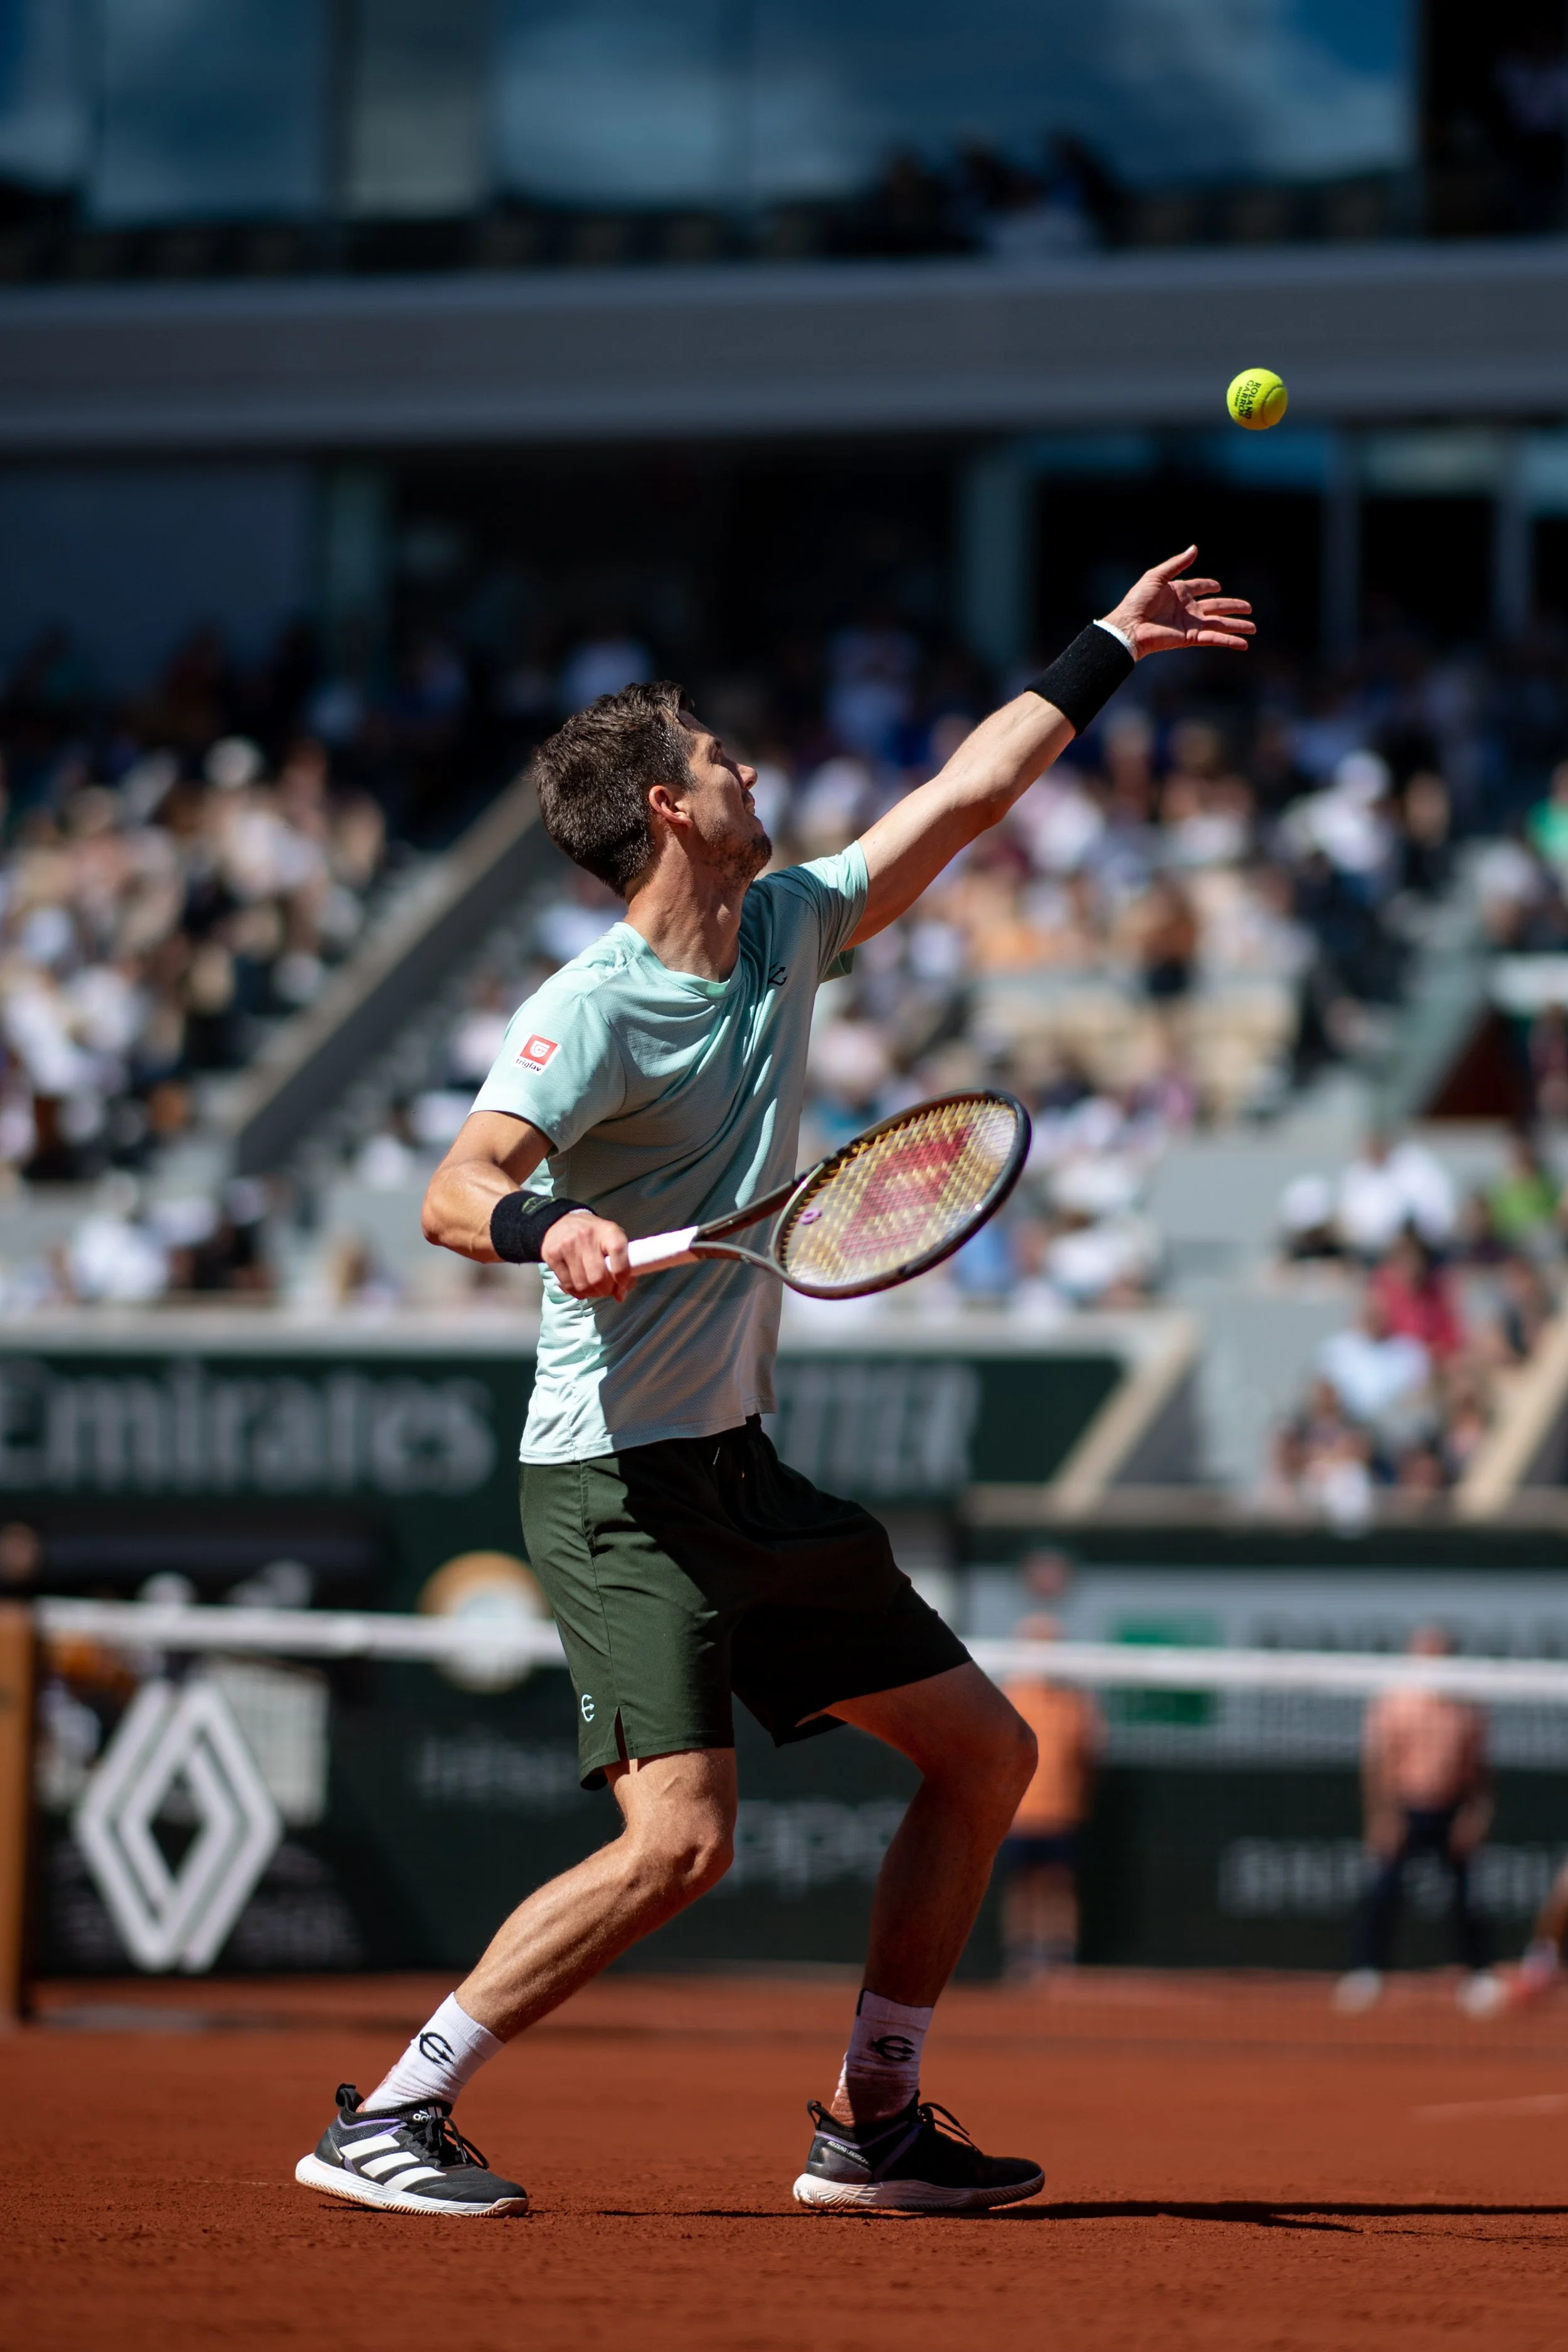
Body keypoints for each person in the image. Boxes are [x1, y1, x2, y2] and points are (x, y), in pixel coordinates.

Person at [294, 546, 1253, 2218]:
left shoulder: (789, 923)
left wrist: (1108, 644)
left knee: (981, 1754)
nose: (753, 768)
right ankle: (392, 2108)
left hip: (734, 1462)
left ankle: (868, 2114)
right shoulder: (586, 1010)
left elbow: (964, 792)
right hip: (616, 1481)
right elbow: (453, 1187)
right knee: (681, 1844)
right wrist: (552, 1222)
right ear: (667, 808)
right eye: (722, 758)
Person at [1335, 1627, 1500, 2015]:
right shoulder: (1395, 1701)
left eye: (1438, 1652)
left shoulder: (1468, 1705)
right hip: (1405, 1809)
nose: (1430, 1659)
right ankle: (1367, 1972)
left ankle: (1477, 1975)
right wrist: (1383, 1815)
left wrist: (1475, 1814)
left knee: (1467, 1900)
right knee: (1383, 1895)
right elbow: (1378, 1764)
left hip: (1452, 1809)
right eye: (1424, 1651)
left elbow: (1480, 1769)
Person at [999, 1615, 1102, 1979]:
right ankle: (1021, 1957)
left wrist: (1077, 1801)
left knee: (1058, 1886)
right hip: (1018, 1815)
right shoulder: (1009, 1697)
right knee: (1021, 1886)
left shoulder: (1075, 1704)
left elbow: (1088, 1757)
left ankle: (1059, 1957)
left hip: (1061, 1814)